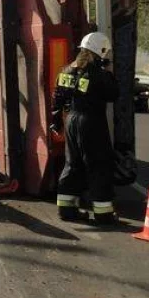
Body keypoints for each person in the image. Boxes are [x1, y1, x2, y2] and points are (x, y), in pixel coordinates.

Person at [50, 32, 119, 225]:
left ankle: (66, 209)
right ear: (102, 52)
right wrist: (107, 71)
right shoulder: (100, 74)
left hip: (71, 120)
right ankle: (103, 213)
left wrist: (56, 121)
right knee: (98, 165)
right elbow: (114, 94)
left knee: (73, 163)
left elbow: (57, 97)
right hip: (92, 122)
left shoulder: (66, 70)